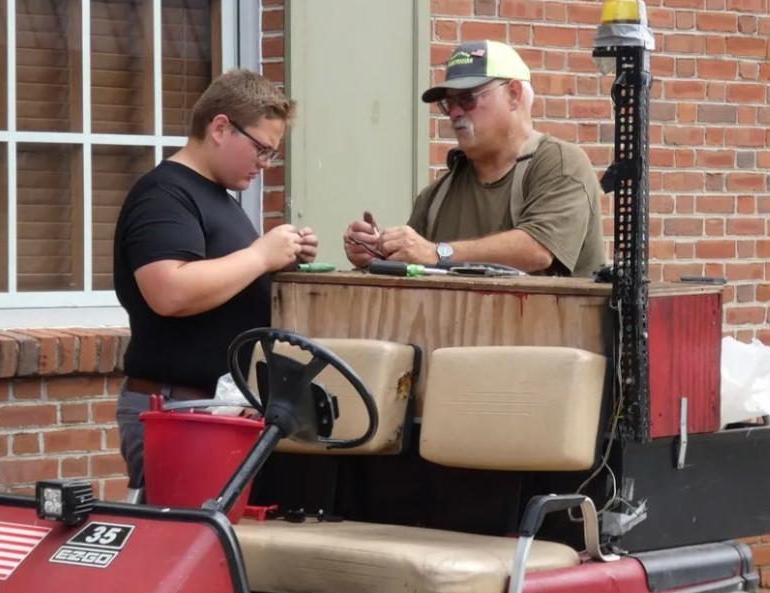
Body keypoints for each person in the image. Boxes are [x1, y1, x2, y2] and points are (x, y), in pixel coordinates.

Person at [113, 69, 318, 502]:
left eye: (271, 154)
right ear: (221, 127)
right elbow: (169, 291)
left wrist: (281, 261)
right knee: (178, 548)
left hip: (213, 409)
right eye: (261, 149)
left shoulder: (216, 198)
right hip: (179, 409)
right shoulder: (164, 195)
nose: (265, 164)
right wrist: (260, 255)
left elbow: (227, 281)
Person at [343, 40, 606, 278]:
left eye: (467, 99)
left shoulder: (561, 164)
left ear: (514, 94)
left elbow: (537, 250)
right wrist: (376, 255)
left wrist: (438, 253)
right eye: (449, 103)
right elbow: (414, 263)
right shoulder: (436, 197)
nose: (455, 112)